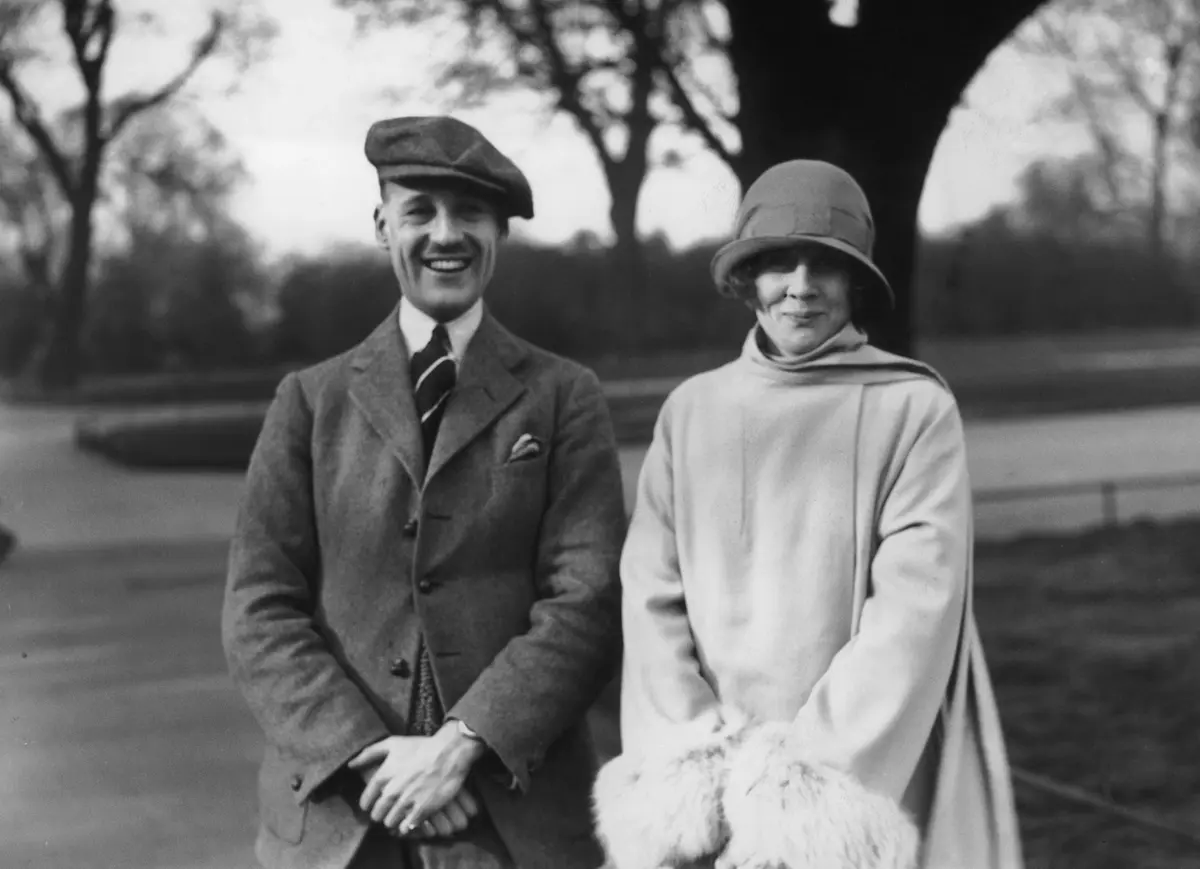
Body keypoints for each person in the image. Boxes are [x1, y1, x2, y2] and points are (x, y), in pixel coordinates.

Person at [223, 115, 627, 869]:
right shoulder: (309, 402)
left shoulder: (564, 395)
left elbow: (589, 599)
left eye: (470, 213)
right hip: (341, 822)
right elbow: (258, 609)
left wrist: (460, 745)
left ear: (499, 231)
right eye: (420, 212)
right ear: (383, 226)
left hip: (511, 822)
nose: (448, 234)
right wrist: (377, 759)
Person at [616, 160, 1024, 868]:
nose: (800, 287)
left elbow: (913, 613)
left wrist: (798, 795)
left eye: (825, 266)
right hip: (713, 783)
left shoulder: (914, 408)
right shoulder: (691, 409)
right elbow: (651, 592)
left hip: (858, 777)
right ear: (747, 280)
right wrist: (700, 763)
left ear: (856, 281)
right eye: (777, 262)